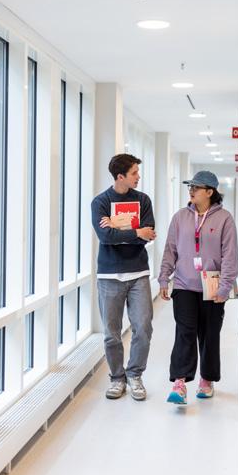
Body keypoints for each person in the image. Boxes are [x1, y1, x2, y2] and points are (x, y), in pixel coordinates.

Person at [158, 170, 238, 405]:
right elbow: (170, 249)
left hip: (212, 287)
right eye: (190, 186)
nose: (191, 190)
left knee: (209, 335)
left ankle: (207, 378)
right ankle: (179, 382)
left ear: (210, 192)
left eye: (196, 187)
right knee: (184, 332)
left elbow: (230, 255)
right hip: (184, 285)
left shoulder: (224, 219)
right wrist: (164, 278)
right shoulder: (180, 217)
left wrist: (225, 287)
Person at [91, 153, 156, 401]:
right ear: (120, 176)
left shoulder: (143, 200)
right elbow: (105, 237)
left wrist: (119, 228)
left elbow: (148, 234)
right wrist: (135, 232)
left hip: (139, 273)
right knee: (112, 333)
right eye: (134, 173)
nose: (138, 177)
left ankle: (135, 375)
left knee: (143, 328)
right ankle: (117, 378)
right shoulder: (100, 202)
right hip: (109, 275)